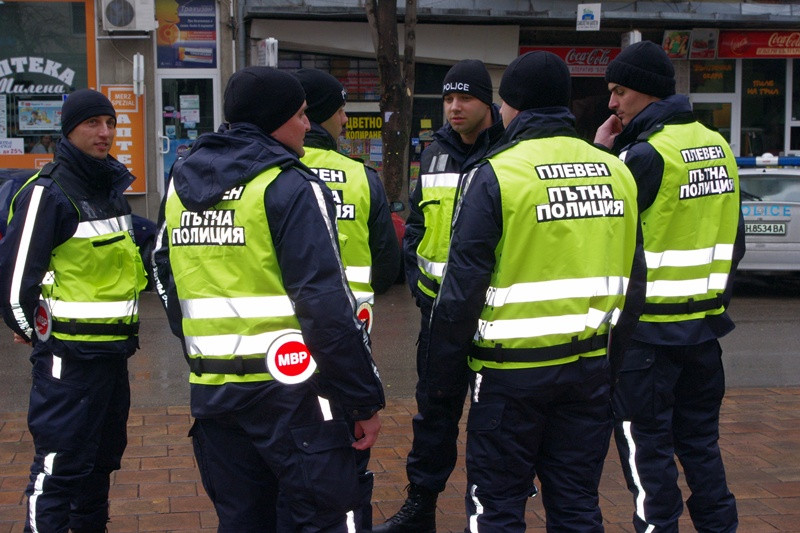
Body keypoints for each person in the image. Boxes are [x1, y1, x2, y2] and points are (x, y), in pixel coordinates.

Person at [151, 66, 385, 532]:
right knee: (325, 517)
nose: (306, 125)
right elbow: (325, 306)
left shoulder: (181, 184)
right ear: (271, 119)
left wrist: (200, 341)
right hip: (293, 398)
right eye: (299, 115)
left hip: (215, 394)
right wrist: (364, 401)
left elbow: (163, 269)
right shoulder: (288, 184)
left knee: (243, 520)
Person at [425, 51, 645, 531]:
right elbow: (635, 287)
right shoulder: (615, 171)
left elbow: (461, 293)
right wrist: (609, 365)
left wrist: (443, 378)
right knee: (576, 504)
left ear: (513, 106)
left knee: (497, 506)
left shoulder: (497, 173)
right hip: (587, 371)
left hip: (510, 378)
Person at [594, 40, 744, 532]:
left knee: (648, 461)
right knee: (702, 449)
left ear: (649, 93)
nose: (613, 104)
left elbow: (603, 234)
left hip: (649, 343)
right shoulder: (717, 146)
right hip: (703, 336)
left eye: (620, 92)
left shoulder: (646, 155)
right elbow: (735, 243)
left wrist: (602, 155)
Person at [0, 89, 147, 533]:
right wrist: (37, 334)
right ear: (69, 129)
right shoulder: (49, 192)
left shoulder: (110, 188)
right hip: (68, 363)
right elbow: (13, 285)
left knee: (97, 468)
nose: (105, 133)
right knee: (58, 472)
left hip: (112, 359)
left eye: (110, 123)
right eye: (92, 123)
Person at [374, 59, 504, 533]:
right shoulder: (433, 154)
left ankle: (492, 511)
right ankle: (421, 506)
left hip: (498, 318)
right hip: (440, 318)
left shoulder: (510, 150)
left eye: (464, 97)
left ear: (486, 102)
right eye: (448, 98)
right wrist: (421, 290)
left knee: (496, 424)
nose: (454, 106)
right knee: (434, 417)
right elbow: (417, 227)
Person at [293, 67, 400, 530]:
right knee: (345, 459)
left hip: (276, 347)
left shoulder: (268, 171)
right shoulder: (360, 177)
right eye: (341, 109)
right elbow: (389, 265)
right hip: (347, 340)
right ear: (330, 115)